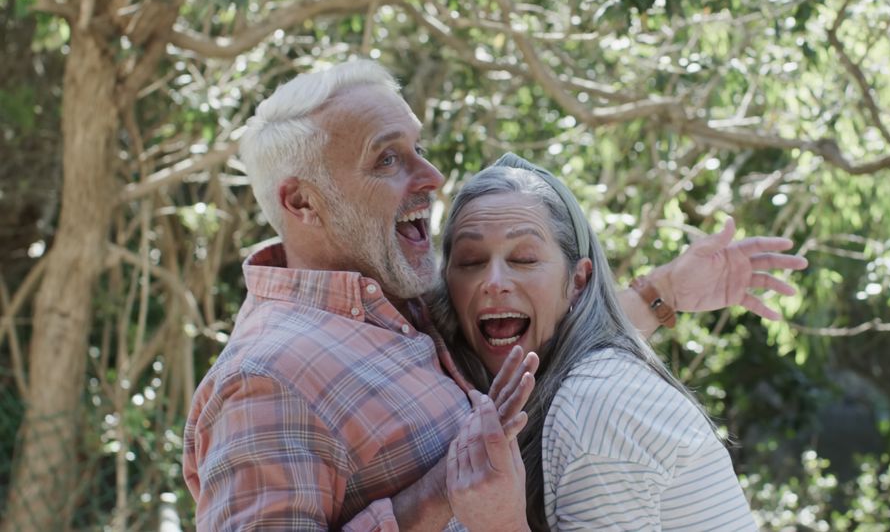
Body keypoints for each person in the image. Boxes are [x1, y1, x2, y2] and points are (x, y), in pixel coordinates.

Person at [183, 59, 805, 530]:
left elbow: (527, 337)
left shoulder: (399, 302)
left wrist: (662, 293)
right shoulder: (265, 383)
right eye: (388, 160)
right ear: (301, 202)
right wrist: (439, 495)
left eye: (418, 149)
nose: (431, 177)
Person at [436, 154, 773, 530]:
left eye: (525, 259)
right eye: (470, 261)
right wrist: (665, 291)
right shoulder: (574, 375)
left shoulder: (594, 406)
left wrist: (499, 525)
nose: (493, 281)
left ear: (578, 281)